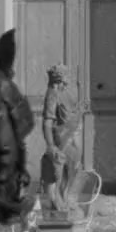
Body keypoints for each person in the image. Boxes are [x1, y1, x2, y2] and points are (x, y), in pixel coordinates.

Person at [40, 65, 81, 214]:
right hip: (62, 138)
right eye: (64, 79)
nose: (66, 83)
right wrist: (50, 145)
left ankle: (64, 198)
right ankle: (56, 201)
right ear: (58, 79)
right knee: (59, 171)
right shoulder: (52, 94)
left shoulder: (64, 93)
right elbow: (47, 122)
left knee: (72, 168)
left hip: (72, 136)